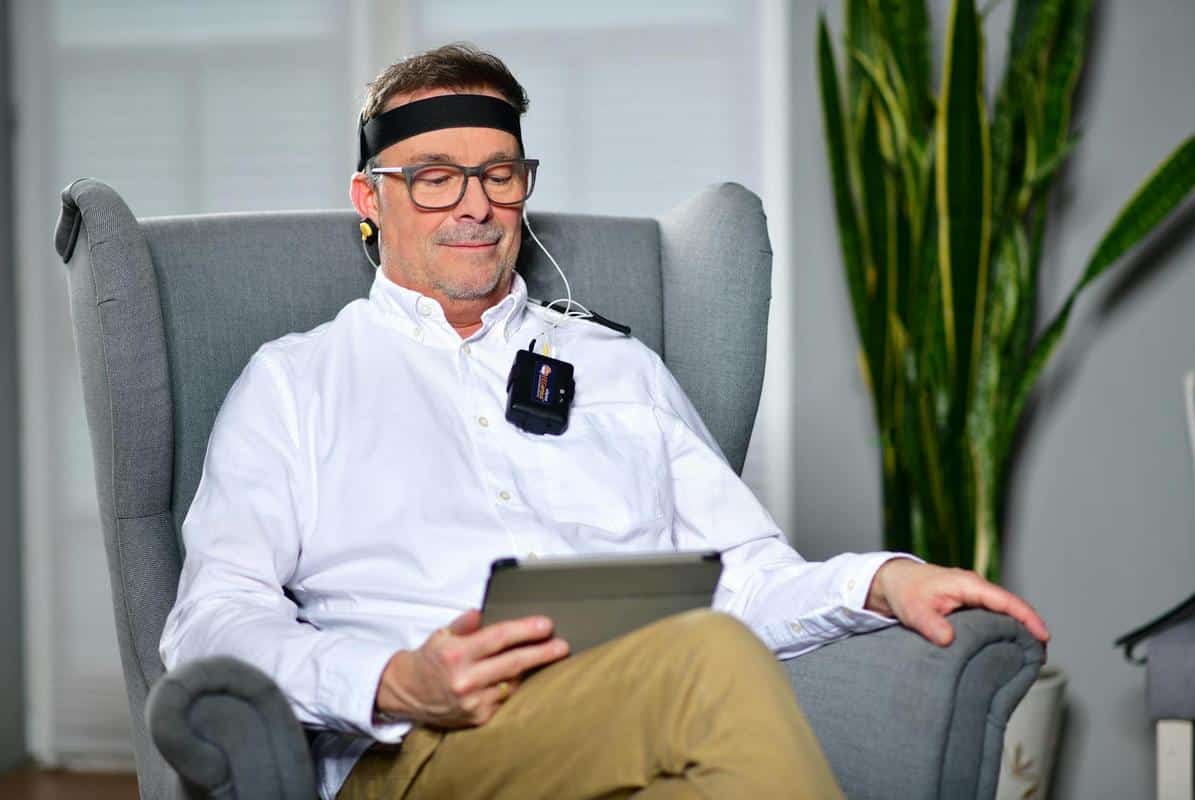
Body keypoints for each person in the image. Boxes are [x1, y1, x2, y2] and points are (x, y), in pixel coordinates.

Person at [160, 43, 1050, 800]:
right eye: (434, 179)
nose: (474, 205)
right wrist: (393, 681)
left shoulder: (620, 370)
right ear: (369, 197)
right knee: (707, 658)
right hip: (419, 753)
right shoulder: (295, 385)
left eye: (500, 174)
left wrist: (879, 582)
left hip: (631, 721)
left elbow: (741, 578)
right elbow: (212, 619)